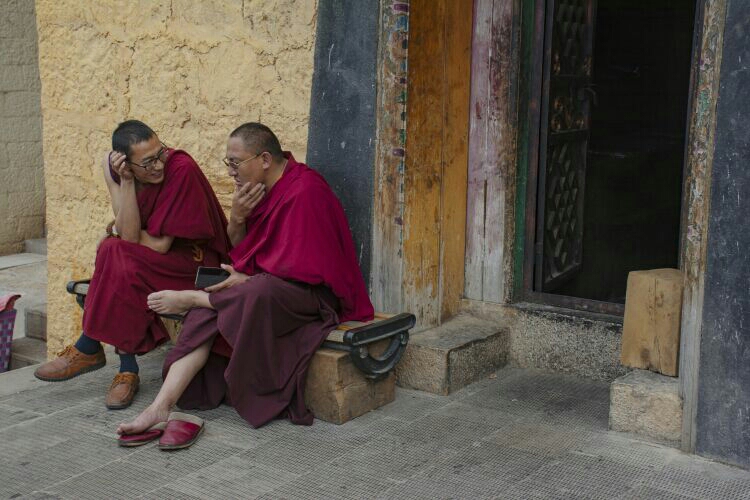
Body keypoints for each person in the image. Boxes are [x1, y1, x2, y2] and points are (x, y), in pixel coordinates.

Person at [117, 122, 373, 436]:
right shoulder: (256, 191)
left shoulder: (306, 190)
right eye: (229, 163)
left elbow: (304, 269)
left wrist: (247, 278)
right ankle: (161, 405)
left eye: (235, 163)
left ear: (264, 159)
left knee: (252, 291)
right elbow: (238, 249)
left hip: (311, 295)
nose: (231, 172)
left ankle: (198, 298)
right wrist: (237, 217)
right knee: (215, 304)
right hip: (268, 284)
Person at [34, 120, 230, 410]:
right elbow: (130, 234)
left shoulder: (180, 169)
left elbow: (157, 244)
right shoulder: (124, 172)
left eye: (159, 153)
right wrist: (121, 182)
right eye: (147, 162)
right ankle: (123, 367)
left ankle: (101, 354)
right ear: (127, 164)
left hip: (196, 265)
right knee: (115, 254)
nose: (158, 166)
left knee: (113, 250)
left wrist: (117, 234)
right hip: (155, 262)